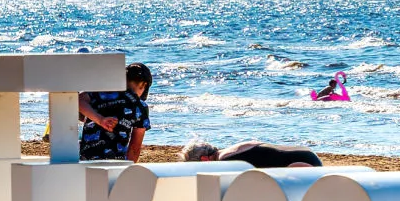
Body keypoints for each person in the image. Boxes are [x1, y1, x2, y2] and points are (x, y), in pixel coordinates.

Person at [78, 62, 153, 162]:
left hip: (87, 159)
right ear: (144, 84)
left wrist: (100, 119)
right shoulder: (140, 106)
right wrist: (128, 168)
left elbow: (78, 101)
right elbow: (134, 148)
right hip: (117, 162)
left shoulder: (101, 93)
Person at [180, 139, 322, 169]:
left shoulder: (226, 161)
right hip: (306, 153)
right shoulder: (231, 149)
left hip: (304, 164)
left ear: (205, 159)